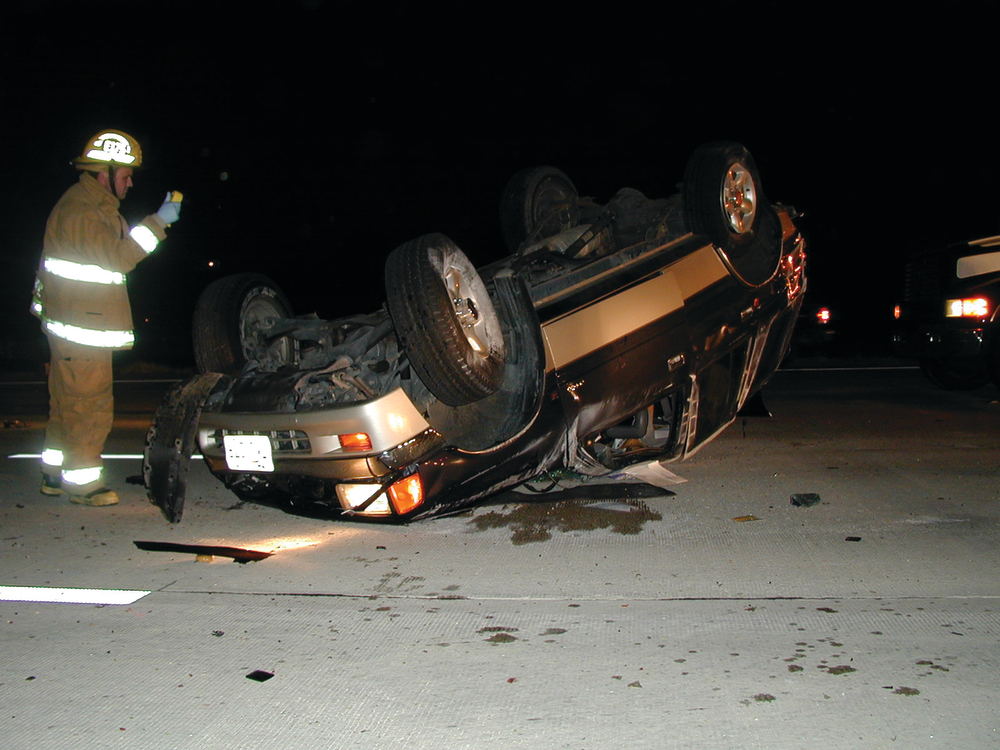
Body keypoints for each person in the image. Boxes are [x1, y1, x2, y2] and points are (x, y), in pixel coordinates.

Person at [30, 130, 182, 506]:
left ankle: (54, 474)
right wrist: (158, 222)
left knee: (67, 402)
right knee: (89, 405)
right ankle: (82, 484)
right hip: (81, 329)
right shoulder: (83, 211)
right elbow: (118, 257)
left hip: (74, 325)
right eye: (126, 176)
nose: (130, 183)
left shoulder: (88, 206)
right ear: (105, 174)